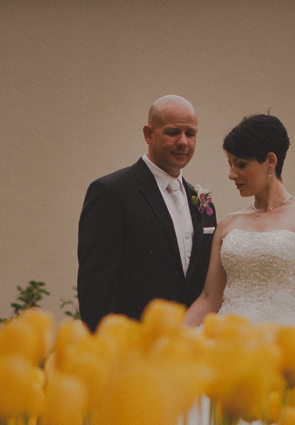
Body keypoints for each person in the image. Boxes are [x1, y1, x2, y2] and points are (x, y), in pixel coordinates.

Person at [76, 95, 218, 331]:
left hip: (190, 348)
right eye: (172, 132)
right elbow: (96, 287)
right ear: (148, 134)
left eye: (190, 134)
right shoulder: (111, 192)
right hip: (133, 346)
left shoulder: (203, 202)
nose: (183, 142)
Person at [182, 114, 295, 327]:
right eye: (230, 164)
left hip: (281, 342)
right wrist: (174, 337)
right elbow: (209, 299)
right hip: (228, 340)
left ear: (270, 160)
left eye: (241, 165)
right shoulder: (228, 224)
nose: (231, 174)